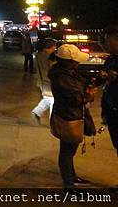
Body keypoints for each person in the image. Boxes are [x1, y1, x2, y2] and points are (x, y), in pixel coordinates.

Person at [49, 44, 94, 190]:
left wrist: (95, 81)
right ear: (68, 61)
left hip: (70, 114)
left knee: (69, 150)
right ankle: (68, 185)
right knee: (67, 152)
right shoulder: (62, 76)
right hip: (68, 116)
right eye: (76, 60)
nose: (78, 62)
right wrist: (89, 96)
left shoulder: (66, 72)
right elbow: (74, 98)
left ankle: (72, 177)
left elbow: (79, 85)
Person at [100, 24, 118, 157]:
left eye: (108, 41)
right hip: (111, 110)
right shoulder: (110, 59)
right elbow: (104, 82)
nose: (105, 44)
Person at [31, 38, 58, 124]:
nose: (55, 48)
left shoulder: (39, 54)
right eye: (54, 47)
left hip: (42, 81)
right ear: (50, 47)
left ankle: (36, 112)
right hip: (48, 81)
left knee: (48, 99)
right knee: (54, 101)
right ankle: (53, 121)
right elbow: (50, 69)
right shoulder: (47, 56)